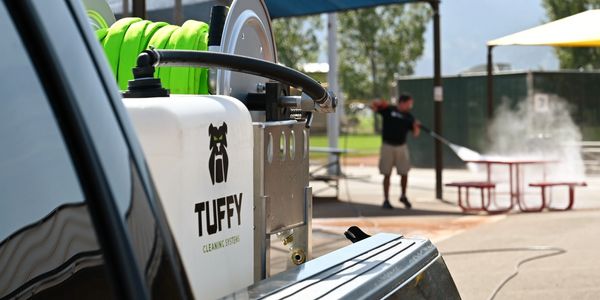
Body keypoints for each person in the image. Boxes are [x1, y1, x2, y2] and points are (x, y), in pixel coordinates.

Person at [371, 94, 420, 209]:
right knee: (386, 174)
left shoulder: (409, 116)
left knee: (404, 172)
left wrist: (416, 126)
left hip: (401, 147)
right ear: (402, 102)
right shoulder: (389, 109)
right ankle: (386, 200)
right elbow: (374, 106)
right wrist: (379, 102)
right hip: (387, 146)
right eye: (409, 103)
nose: (410, 106)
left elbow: (416, 134)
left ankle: (403, 195)